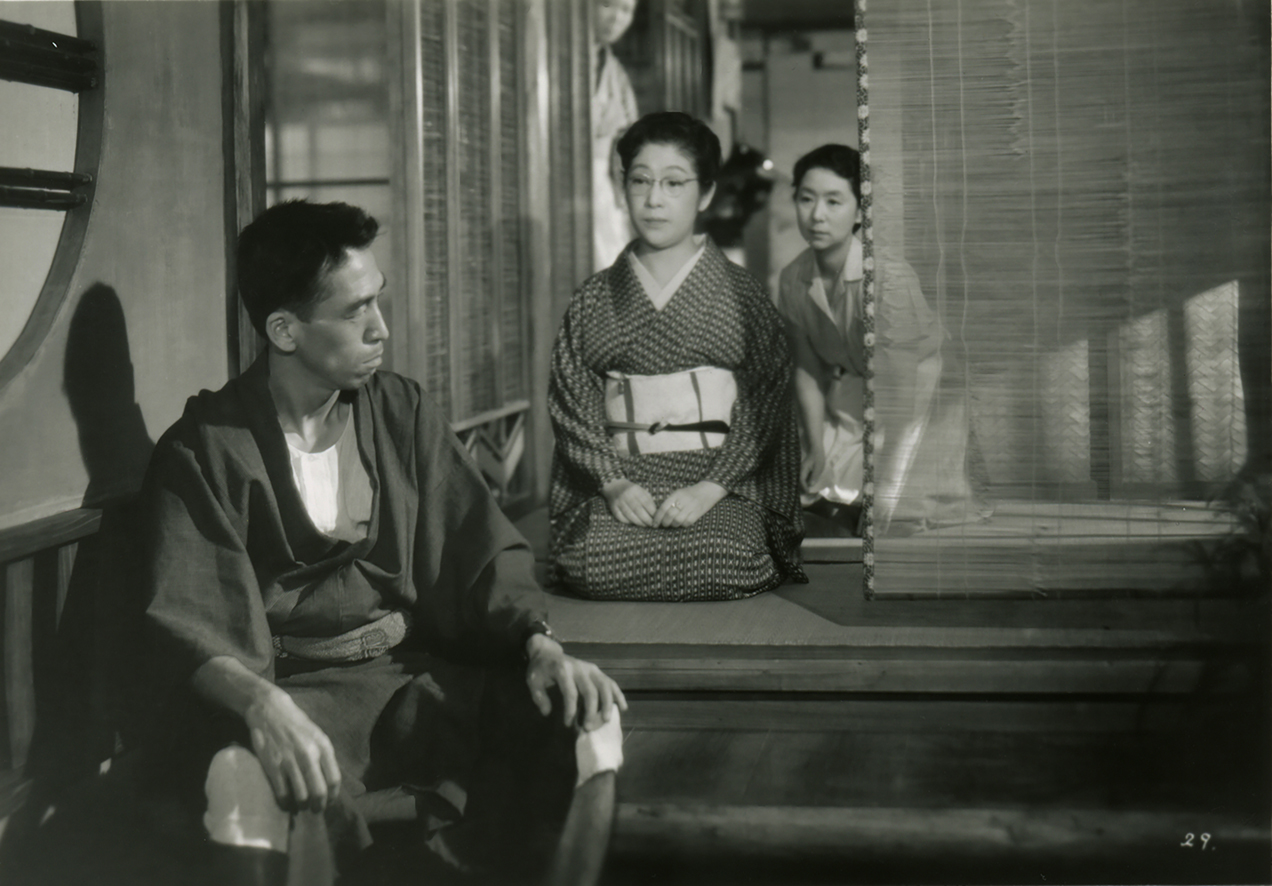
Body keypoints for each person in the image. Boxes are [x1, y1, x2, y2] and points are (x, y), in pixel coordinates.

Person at [133, 200, 627, 886]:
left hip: (410, 680)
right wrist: (262, 705)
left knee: (586, 725)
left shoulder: (402, 409)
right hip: (291, 696)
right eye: (355, 311)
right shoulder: (205, 448)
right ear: (284, 330)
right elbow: (190, 620)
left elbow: (478, 546)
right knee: (243, 777)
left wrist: (542, 646)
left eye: (379, 300)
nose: (380, 329)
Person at [549, 111, 806, 601]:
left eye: (673, 183)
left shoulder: (742, 294)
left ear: (705, 193)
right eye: (640, 181)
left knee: (726, 556)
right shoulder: (593, 297)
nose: (654, 200)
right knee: (591, 561)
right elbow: (572, 399)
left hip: (722, 480)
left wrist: (711, 488)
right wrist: (613, 484)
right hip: (625, 480)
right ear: (622, 185)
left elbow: (766, 400)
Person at [776, 143, 990, 534]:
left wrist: (886, 473)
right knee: (809, 484)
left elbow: (903, 382)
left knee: (894, 505)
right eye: (806, 199)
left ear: (860, 211)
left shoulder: (888, 277)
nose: (817, 215)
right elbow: (806, 367)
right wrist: (816, 447)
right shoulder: (793, 278)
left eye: (834, 201)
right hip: (854, 385)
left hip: (919, 388)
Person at [592, 0, 640, 271]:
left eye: (626, 10)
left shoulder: (616, 73)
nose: (617, 18)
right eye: (608, 4)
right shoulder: (562, 59)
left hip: (604, 189)